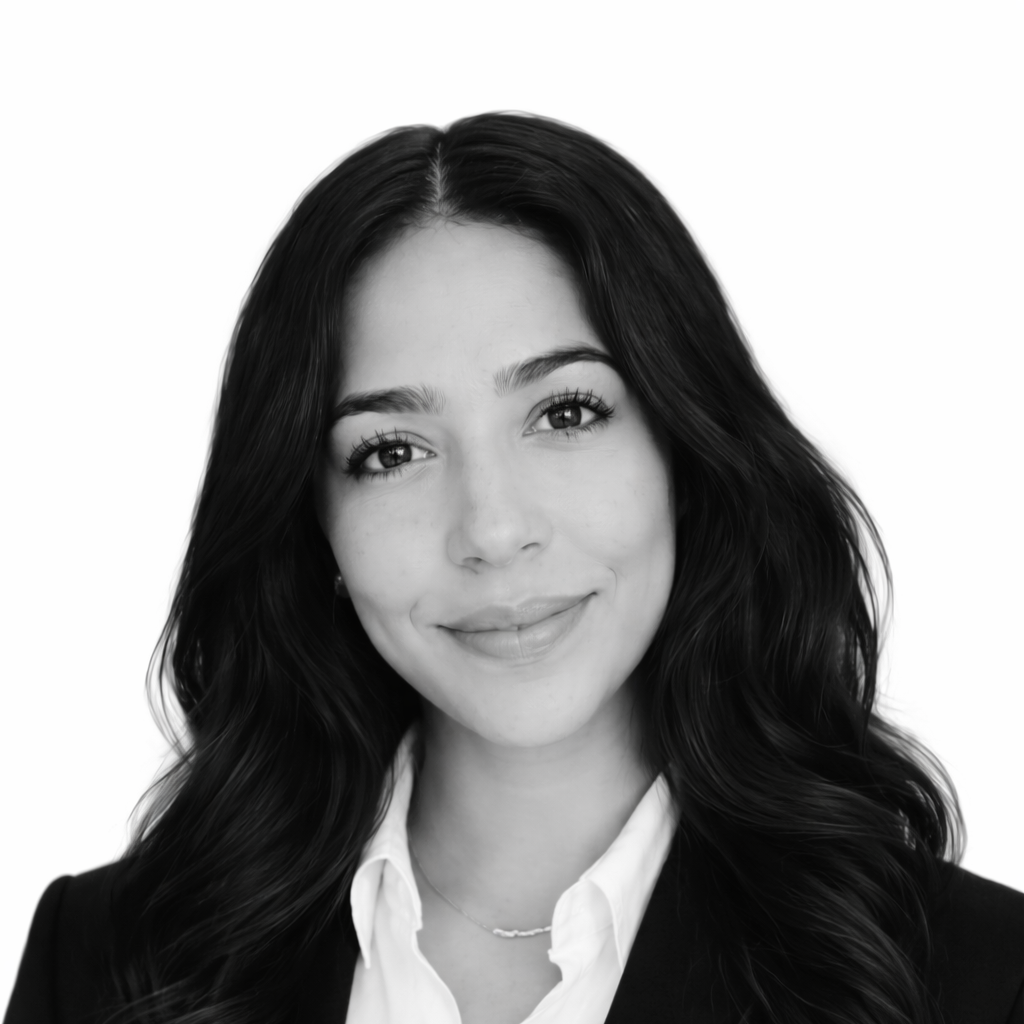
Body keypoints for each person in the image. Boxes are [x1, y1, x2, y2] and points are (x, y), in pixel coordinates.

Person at [5, 112, 1023, 1024]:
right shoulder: (105, 964)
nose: (491, 530)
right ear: (311, 520)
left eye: (564, 413)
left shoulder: (970, 979)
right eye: (390, 451)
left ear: (685, 450)